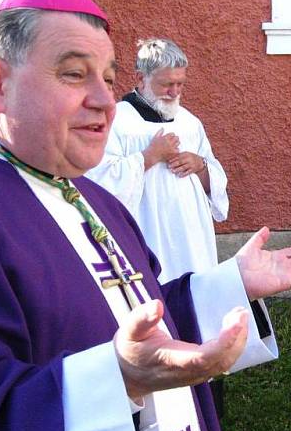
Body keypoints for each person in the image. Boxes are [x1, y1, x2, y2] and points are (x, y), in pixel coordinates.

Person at [0, 0, 291, 431]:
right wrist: (117, 379)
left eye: (108, 79)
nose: (105, 101)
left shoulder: (90, 196)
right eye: (74, 74)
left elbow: (138, 318)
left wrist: (228, 287)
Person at [88, 38, 228, 283]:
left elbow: (214, 182)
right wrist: (149, 157)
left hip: (191, 235)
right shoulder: (117, 121)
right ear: (140, 78)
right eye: (166, 84)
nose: (174, 92)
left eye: (180, 84)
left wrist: (200, 165)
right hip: (147, 231)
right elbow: (98, 181)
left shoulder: (189, 122)